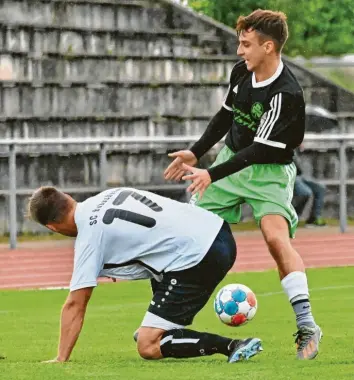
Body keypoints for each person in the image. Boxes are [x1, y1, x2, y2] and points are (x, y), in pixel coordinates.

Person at [164, 9, 322, 359]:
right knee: (186, 234)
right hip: (231, 162)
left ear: (268, 47)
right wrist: (196, 153)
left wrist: (210, 174)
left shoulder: (286, 94)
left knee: (274, 238)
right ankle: (166, 321)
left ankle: (307, 324)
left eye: (246, 44)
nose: (239, 51)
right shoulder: (242, 72)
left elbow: (260, 149)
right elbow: (225, 116)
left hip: (269, 173)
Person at [27, 186, 263, 364]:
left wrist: (60, 358)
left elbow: (75, 304)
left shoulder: (89, 235)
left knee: (147, 345)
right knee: (154, 261)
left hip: (200, 256)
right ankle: (164, 330)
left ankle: (233, 345)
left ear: (52, 227)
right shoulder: (106, 195)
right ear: (68, 198)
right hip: (218, 230)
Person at [293, 148, 326, 227]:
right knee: (306, 192)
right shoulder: (282, 144)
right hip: (288, 176)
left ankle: (314, 218)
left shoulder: (294, 147)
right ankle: (292, 216)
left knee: (320, 188)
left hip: (299, 176)